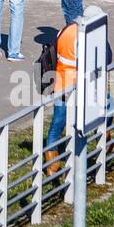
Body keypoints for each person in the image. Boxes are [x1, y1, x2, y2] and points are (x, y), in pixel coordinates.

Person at [43, 21, 78, 175]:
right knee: (100, 111)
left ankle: (51, 159)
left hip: (60, 82)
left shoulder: (64, 31)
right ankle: (106, 141)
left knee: (58, 121)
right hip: (75, 83)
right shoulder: (83, 36)